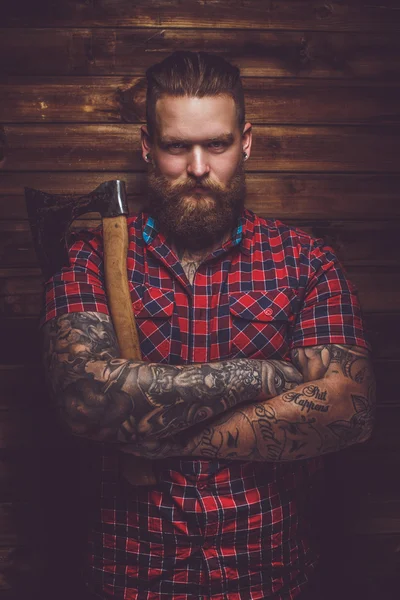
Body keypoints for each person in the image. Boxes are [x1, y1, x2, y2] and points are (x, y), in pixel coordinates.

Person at [41, 51, 375, 600]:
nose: (198, 167)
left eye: (216, 144)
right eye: (177, 146)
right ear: (148, 145)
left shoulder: (306, 260)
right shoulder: (86, 258)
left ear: (245, 141)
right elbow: (85, 400)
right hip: (126, 574)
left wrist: (154, 431)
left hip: (268, 572)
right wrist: (271, 376)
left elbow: (349, 409)